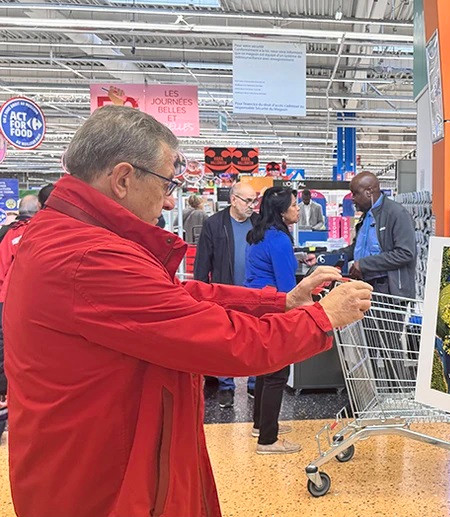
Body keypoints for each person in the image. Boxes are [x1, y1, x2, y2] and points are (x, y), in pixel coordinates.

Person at [3, 105, 374, 516]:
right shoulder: (89, 257)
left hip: (102, 464)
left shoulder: (73, 237)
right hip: (105, 487)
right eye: (167, 183)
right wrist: (321, 318)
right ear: (123, 178)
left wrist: (280, 302)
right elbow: (226, 343)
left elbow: (175, 295)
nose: (168, 199)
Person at [245, 187, 310, 454]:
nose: (297, 209)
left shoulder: (259, 234)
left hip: (257, 305)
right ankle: (268, 440)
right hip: (274, 307)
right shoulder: (280, 240)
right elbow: (287, 287)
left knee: (264, 366)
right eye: (294, 205)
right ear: (282, 211)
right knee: (277, 372)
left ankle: (261, 424)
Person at [194, 181, 261, 407]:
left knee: (254, 336)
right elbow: (203, 261)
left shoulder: (258, 223)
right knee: (225, 339)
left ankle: (254, 383)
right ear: (233, 200)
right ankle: (226, 386)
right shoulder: (214, 224)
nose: (252, 205)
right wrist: (200, 292)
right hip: (225, 291)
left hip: (255, 292)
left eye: (255, 200)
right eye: (248, 200)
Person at [0, 194, 43, 429]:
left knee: (9, 351)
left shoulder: (9, 233)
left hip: (8, 300)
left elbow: (1, 268)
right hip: (35, 302)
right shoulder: (42, 232)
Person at [338, 171, 417, 297]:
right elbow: (357, 248)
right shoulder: (368, 216)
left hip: (388, 290)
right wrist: (328, 257)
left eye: (355, 194)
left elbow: (405, 253)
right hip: (366, 285)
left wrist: (364, 264)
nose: (352, 198)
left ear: (369, 192)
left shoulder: (397, 214)